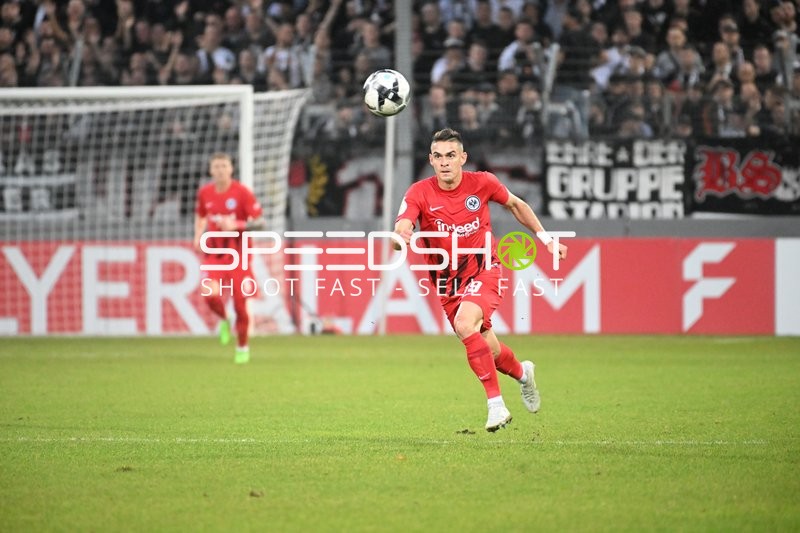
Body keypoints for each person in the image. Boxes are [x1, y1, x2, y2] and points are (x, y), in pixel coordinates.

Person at [393, 128, 568, 432]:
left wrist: (546, 239)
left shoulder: (483, 183)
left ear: (463, 158)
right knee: (491, 349)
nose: (445, 162)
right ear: (431, 161)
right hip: (447, 283)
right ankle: (524, 374)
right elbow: (401, 227)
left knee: (464, 326)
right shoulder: (418, 192)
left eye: (451, 155)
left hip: (484, 269)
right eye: (438, 156)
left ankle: (496, 407)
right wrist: (401, 236)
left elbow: (515, 204)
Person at [193, 153, 266, 364]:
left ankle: (242, 346)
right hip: (215, 254)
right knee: (209, 295)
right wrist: (198, 235)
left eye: (224, 166)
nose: (220, 170)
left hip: (239, 256)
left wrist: (238, 225)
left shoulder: (242, 193)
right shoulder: (205, 193)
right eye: (216, 167)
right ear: (210, 171)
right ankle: (225, 319)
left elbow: (261, 223)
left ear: (231, 169)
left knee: (240, 305)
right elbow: (200, 215)